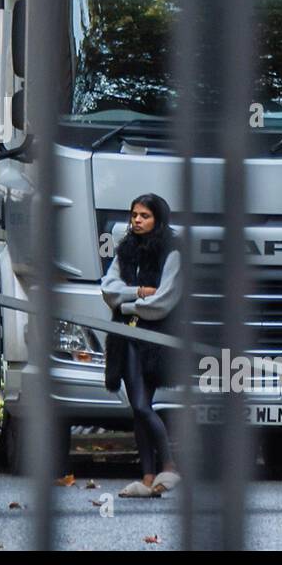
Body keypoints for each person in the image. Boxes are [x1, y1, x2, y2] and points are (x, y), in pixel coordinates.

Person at [101, 193, 181, 498]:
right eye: (134, 214)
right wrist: (139, 291)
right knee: (139, 408)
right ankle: (149, 479)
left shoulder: (173, 250)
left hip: (155, 338)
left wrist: (129, 304)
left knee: (140, 405)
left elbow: (165, 300)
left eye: (144, 215)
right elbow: (109, 289)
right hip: (126, 336)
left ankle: (171, 467)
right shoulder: (125, 248)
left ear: (158, 219)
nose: (136, 220)